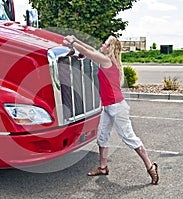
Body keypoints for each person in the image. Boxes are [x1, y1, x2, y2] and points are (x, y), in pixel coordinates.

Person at [63, 35, 159, 185]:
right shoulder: (105, 59)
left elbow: (88, 52)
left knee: (129, 138)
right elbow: (90, 49)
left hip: (117, 107)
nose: (102, 44)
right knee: (102, 136)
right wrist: (75, 39)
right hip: (108, 107)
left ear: (110, 48)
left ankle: (150, 166)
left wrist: (73, 42)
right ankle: (102, 168)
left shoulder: (107, 61)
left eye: (105, 44)